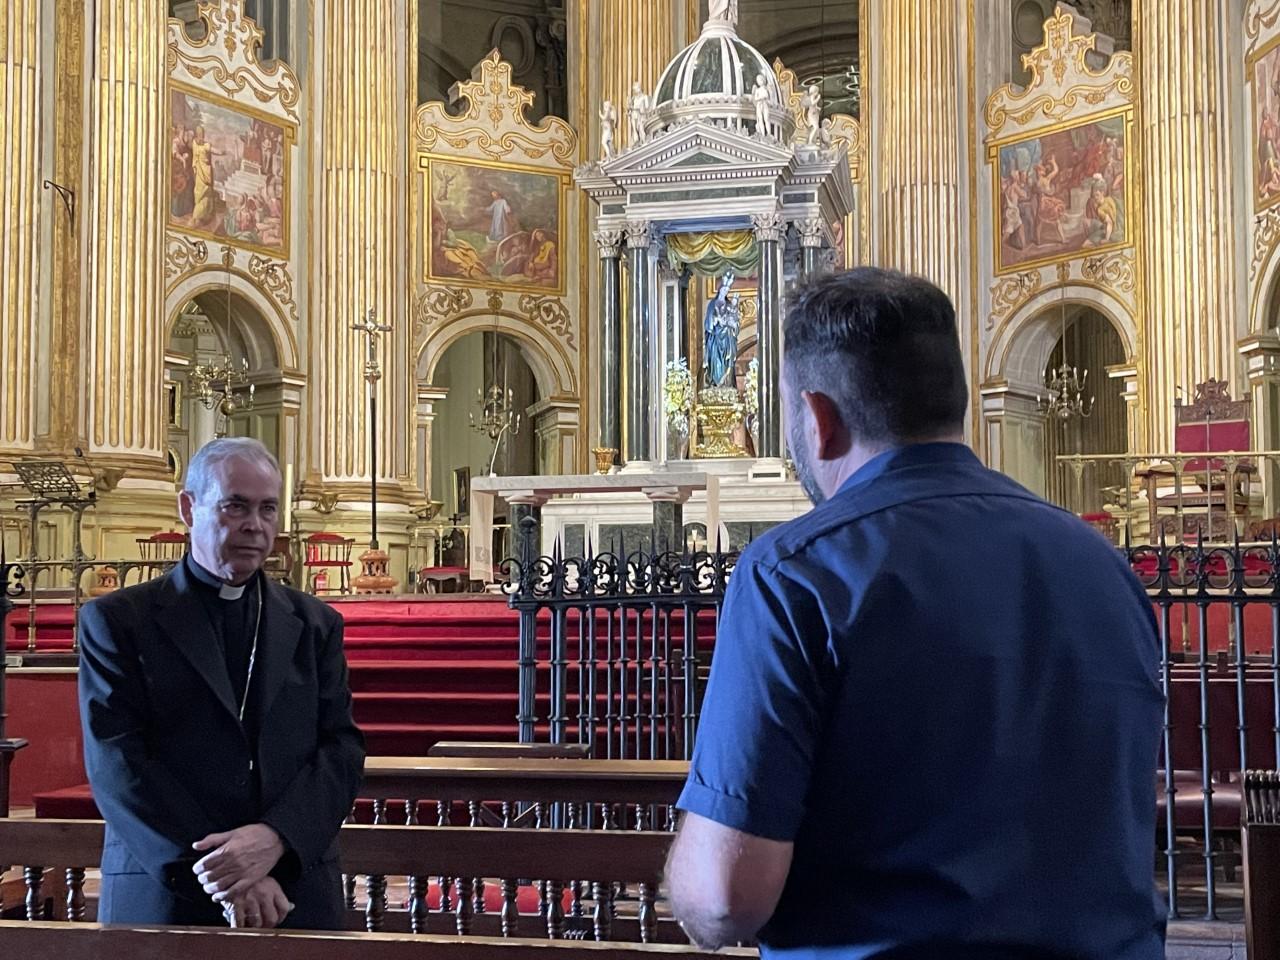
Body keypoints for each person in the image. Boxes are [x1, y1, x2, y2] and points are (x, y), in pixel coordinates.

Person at [665, 268, 1165, 959]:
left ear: (817, 418)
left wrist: (682, 883)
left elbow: (725, 900)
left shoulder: (796, 574)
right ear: (953, 399)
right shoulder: (1105, 565)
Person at [78, 438, 365, 930]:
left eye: (268, 508)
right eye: (236, 506)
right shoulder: (120, 621)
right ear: (189, 508)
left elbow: (339, 748)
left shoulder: (315, 623)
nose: (255, 525)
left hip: (295, 886)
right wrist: (229, 876)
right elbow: (119, 762)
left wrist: (277, 838)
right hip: (167, 890)